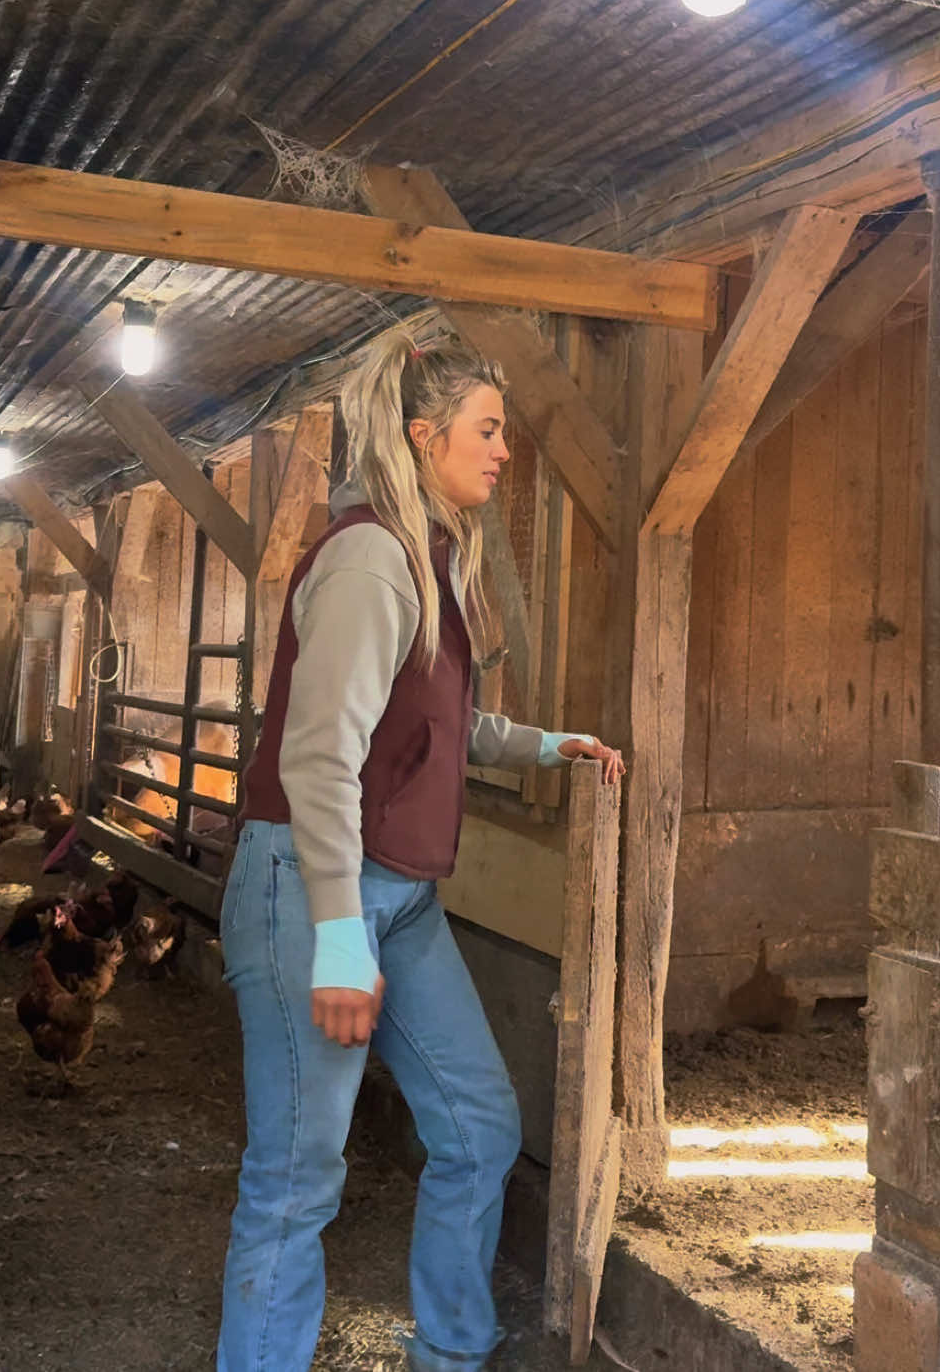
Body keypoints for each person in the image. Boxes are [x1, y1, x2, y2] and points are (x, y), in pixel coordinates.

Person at [217, 327, 623, 1372]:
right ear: (423, 434)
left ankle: (449, 1352)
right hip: (312, 893)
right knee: (297, 1176)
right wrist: (342, 940)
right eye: (487, 432)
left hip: (398, 901)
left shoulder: (432, 561)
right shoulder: (368, 560)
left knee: (480, 1126)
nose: (503, 453)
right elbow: (316, 760)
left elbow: (432, 726)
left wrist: (547, 743)